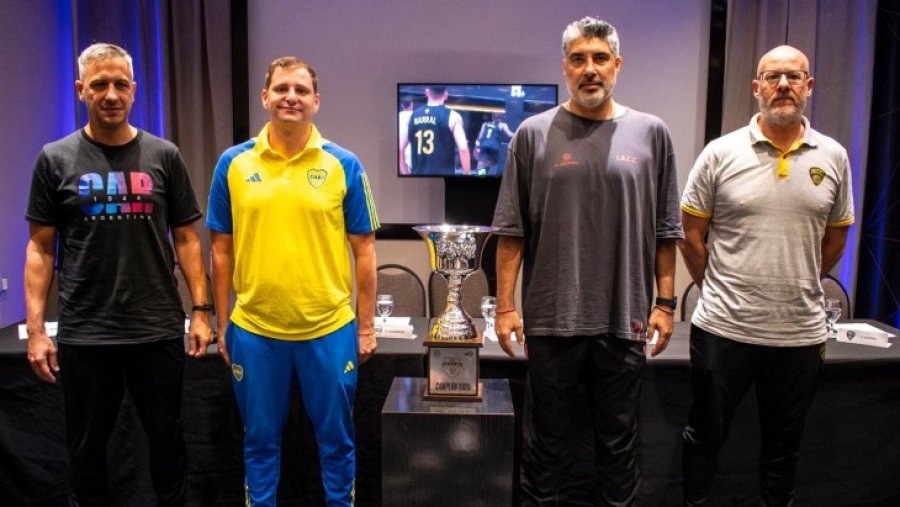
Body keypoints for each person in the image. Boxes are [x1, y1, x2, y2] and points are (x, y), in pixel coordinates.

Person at [492, 17, 683, 506]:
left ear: (617, 65)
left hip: (625, 321)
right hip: (552, 321)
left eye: (600, 59)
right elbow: (511, 232)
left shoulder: (652, 133)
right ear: (565, 67)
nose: (589, 69)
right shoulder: (532, 135)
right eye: (578, 59)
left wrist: (665, 302)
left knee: (618, 450)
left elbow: (667, 231)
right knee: (544, 452)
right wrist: (506, 308)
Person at [24, 43, 212, 506]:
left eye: (120, 84)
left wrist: (202, 311)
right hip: (86, 333)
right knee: (86, 451)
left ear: (134, 90)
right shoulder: (55, 158)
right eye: (100, 84)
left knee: (168, 447)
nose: (111, 94)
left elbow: (187, 239)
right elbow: (40, 248)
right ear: (81, 90)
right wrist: (34, 331)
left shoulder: (163, 155)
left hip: (156, 329)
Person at [679, 45, 854, 506]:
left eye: (793, 77)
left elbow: (836, 239)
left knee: (783, 451)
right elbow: (691, 236)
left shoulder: (833, 157)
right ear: (755, 87)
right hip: (723, 329)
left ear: (808, 87)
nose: (783, 85)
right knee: (704, 437)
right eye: (772, 76)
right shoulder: (719, 153)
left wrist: (797, 279)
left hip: (799, 335)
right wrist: (715, 286)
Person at [207, 56, 379, 507]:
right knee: (259, 443)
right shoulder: (233, 163)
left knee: (337, 443)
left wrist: (364, 327)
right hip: (255, 330)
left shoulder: (345, 163)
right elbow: (220, 250)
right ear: (264, 98)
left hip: (329, 329)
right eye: (282, 88)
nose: (291, 97)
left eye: (301, 90)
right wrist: (222, 322)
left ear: (316, 102)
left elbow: (364, 250)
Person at [399, 86, 471, 175]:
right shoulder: (453, 116)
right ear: (446, 95)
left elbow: (400, 150)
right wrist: (467, 174)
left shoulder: (412, 116)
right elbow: (463, 148)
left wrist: (405, 173)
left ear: (427, 92)